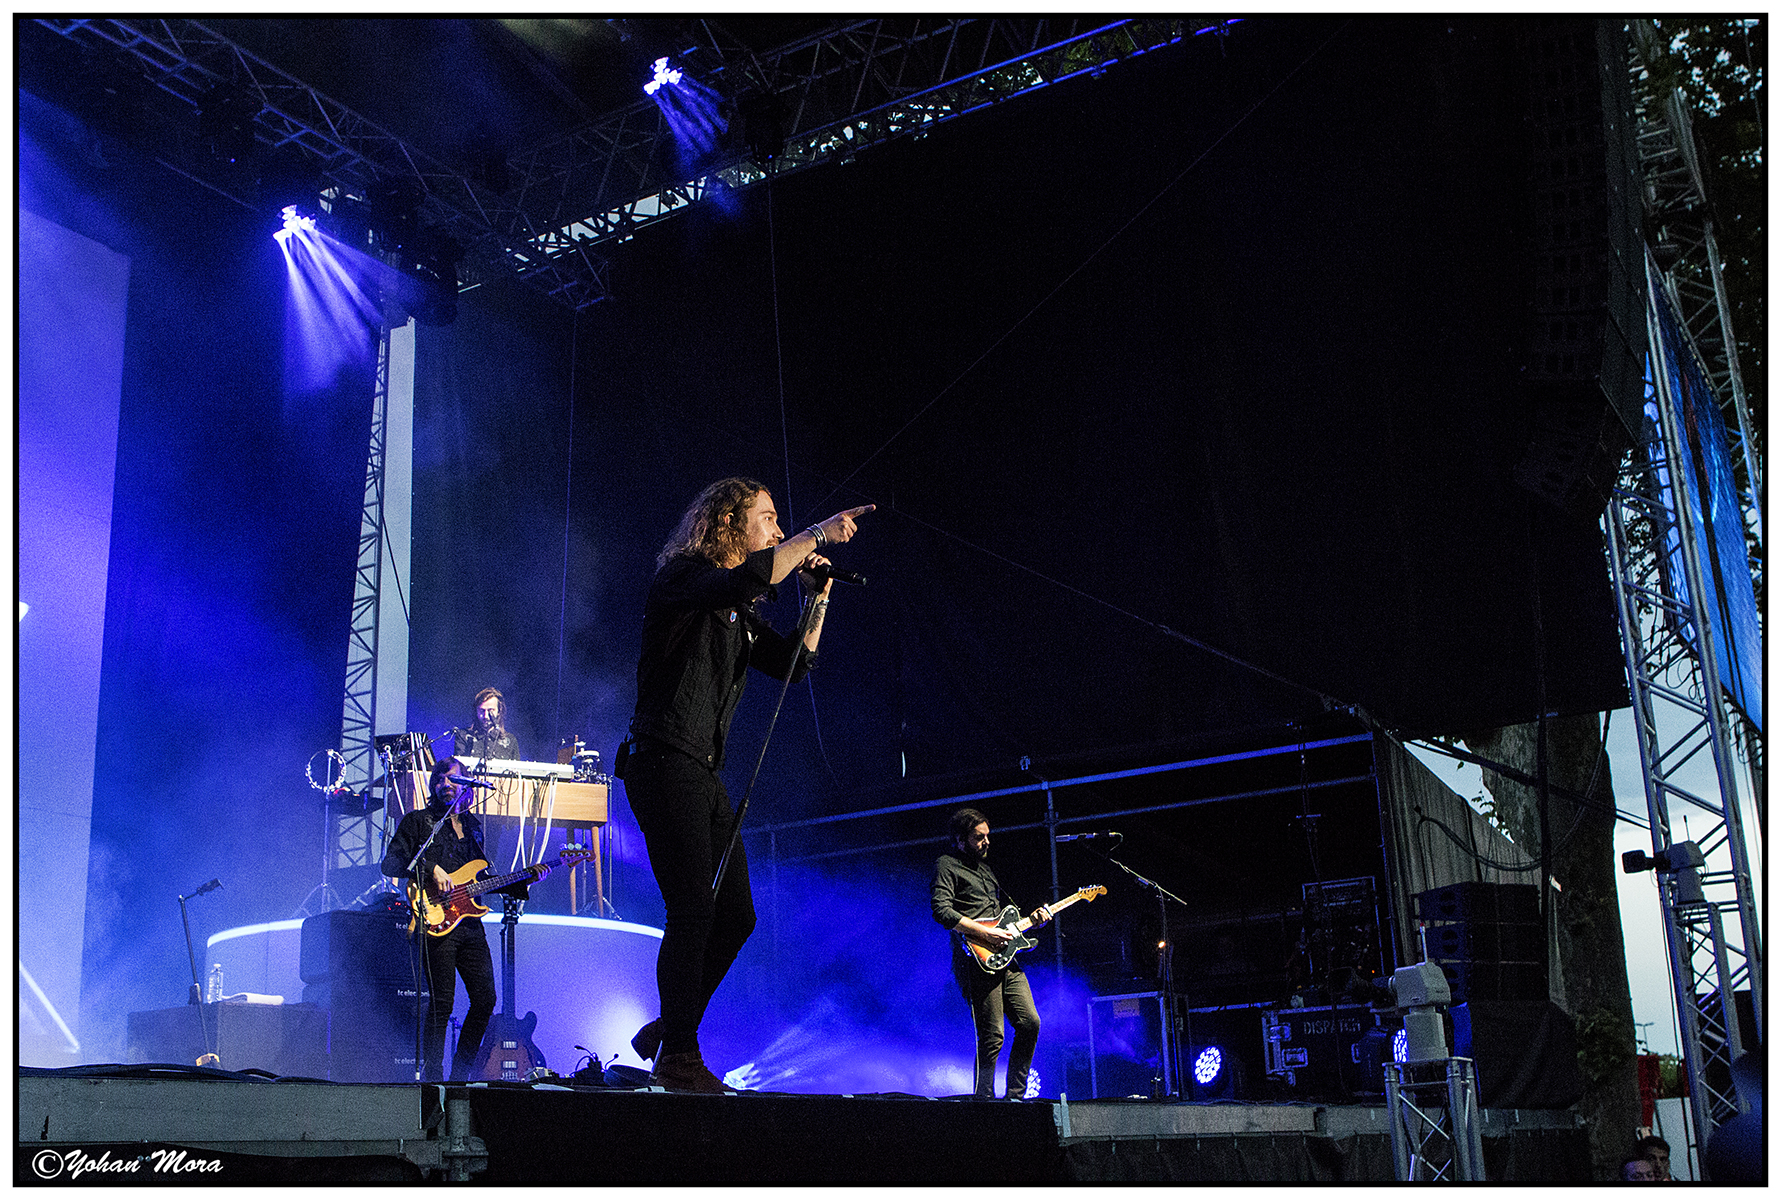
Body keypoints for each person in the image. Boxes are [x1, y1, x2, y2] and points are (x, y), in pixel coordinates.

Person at [617, 477, 873, 1093]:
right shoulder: (684, 578)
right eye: (769, 518)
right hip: (663, 760)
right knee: (692, 906)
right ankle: (679, 1057)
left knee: (736, 914)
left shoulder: (738, 611)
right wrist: (817, 533)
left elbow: (792, 665)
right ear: (729, 523)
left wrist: (818, 598)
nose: (779, 530)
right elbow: (742, 580)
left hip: (701, 771)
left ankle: (671, 1027)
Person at [381, 756, 501, 1082]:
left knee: (485, 1000)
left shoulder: (474, 828)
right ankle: (433, 1079)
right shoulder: (419, 822)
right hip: (435, 922)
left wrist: (524, 880)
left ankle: (460, 1076)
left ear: (465, 785)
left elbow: (480, 878)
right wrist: (430, 868)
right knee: (442, 1004)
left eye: (452, 779)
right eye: (439, 779)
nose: (445, 784)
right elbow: (390, 864)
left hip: (470, 924)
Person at [931, 807, 1051, 1100]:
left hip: (1006, 957)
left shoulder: (987, 871)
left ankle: (1015, 1097)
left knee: (1030, 1023)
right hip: (975, 958)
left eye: (987, 836)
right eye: (978, 837)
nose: (986, 842)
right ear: (960, 840)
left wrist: (1032, 921)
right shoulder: (946, 864)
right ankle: (984, 1101)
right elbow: (941, 910)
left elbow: (1001, 920)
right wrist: (985, 934)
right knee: (992, 1035)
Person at [455, 686, 520, 760]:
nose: (486, 716)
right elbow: (458, 765)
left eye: (490, 710)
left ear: (499, 711)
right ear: (476, 711)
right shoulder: (463, 736)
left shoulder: (510, 740)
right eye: (482, 711)